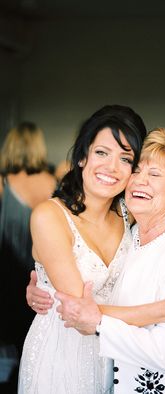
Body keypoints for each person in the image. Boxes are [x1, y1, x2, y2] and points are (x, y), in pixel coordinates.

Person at [18, 106, 165, 394]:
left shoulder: (129, 215)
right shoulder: (49, 217)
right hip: (61, 355)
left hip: (114, 361)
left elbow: (163, 207)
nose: (112, 168)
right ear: (82, 157)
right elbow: (79, 313)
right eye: (101, 153)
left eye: (126, 159)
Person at [0, 122, 56, 390]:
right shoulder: (55, 182)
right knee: (40, 338)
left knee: (15, 337)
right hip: (46, 274)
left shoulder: (2, 183)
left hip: (9, 275)